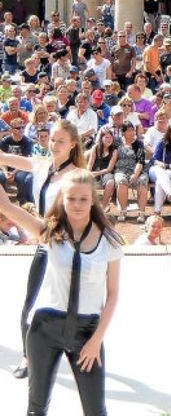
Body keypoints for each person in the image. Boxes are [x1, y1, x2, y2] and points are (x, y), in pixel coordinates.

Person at [0, 168, 122, 415]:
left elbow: (112, 294)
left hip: (87, 331)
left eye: (83, 198)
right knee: (36, 408)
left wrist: (96, 340)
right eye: (71, 198)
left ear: (93, 200)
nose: (77, 204)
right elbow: (7, 207)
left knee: (96, 410)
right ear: (62, 199)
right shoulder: (50, 232)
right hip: (45, 328)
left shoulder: (109, 240)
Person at [1, 120, 86, 380]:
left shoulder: (77, 177)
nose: (54, 145)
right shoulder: (40, 165)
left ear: (72, 145)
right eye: (52, 139)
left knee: (74, 307)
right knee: (31, 306)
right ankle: (29, 356)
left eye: (61, 141)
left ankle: (79, 354)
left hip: (68, 249)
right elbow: (3, 157)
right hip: (44, 246)